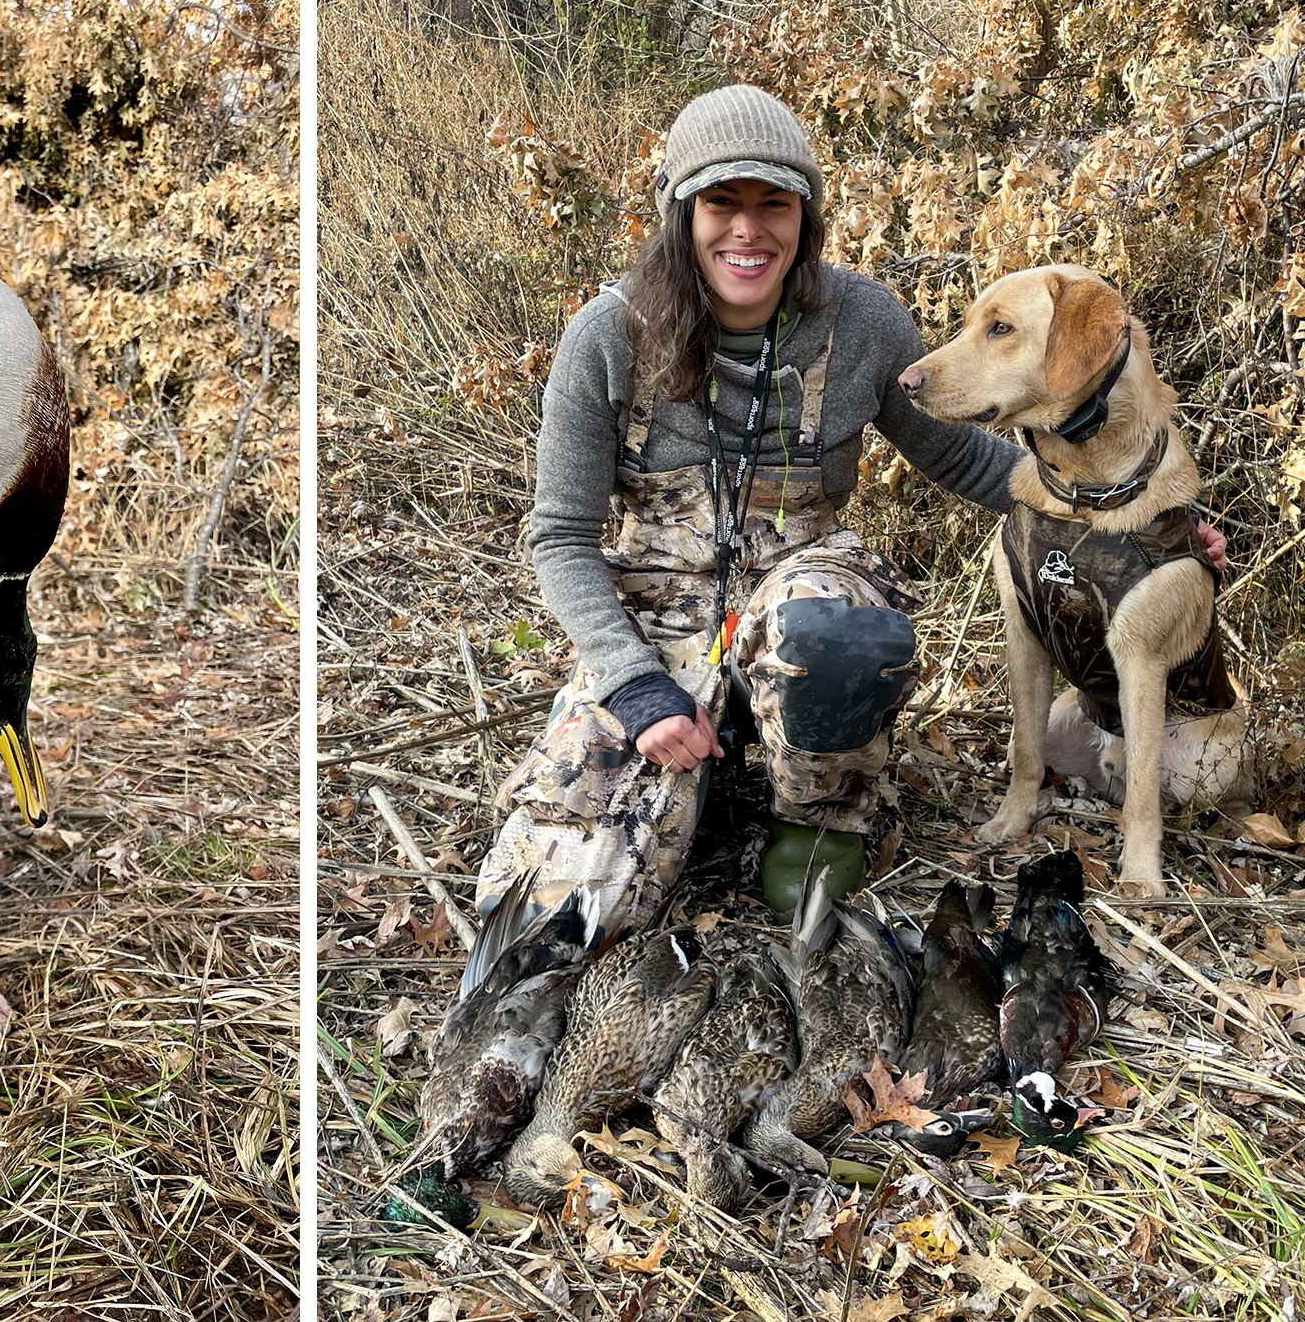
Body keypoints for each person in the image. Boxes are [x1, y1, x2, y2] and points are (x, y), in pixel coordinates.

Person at [471, 84, 1223, 949]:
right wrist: (632, 682)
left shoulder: (861, 320)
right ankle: (698, 766)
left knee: (842, 635)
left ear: (806, 216)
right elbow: (560, 538)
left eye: (773, 203)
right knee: (553, 915)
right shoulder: (606, 336)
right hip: (654, 620)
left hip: (800, 581)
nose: (747, 229)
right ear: (680, 213)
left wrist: (1136, 522)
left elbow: (963, 456)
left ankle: (813, 816)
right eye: (721, 202)